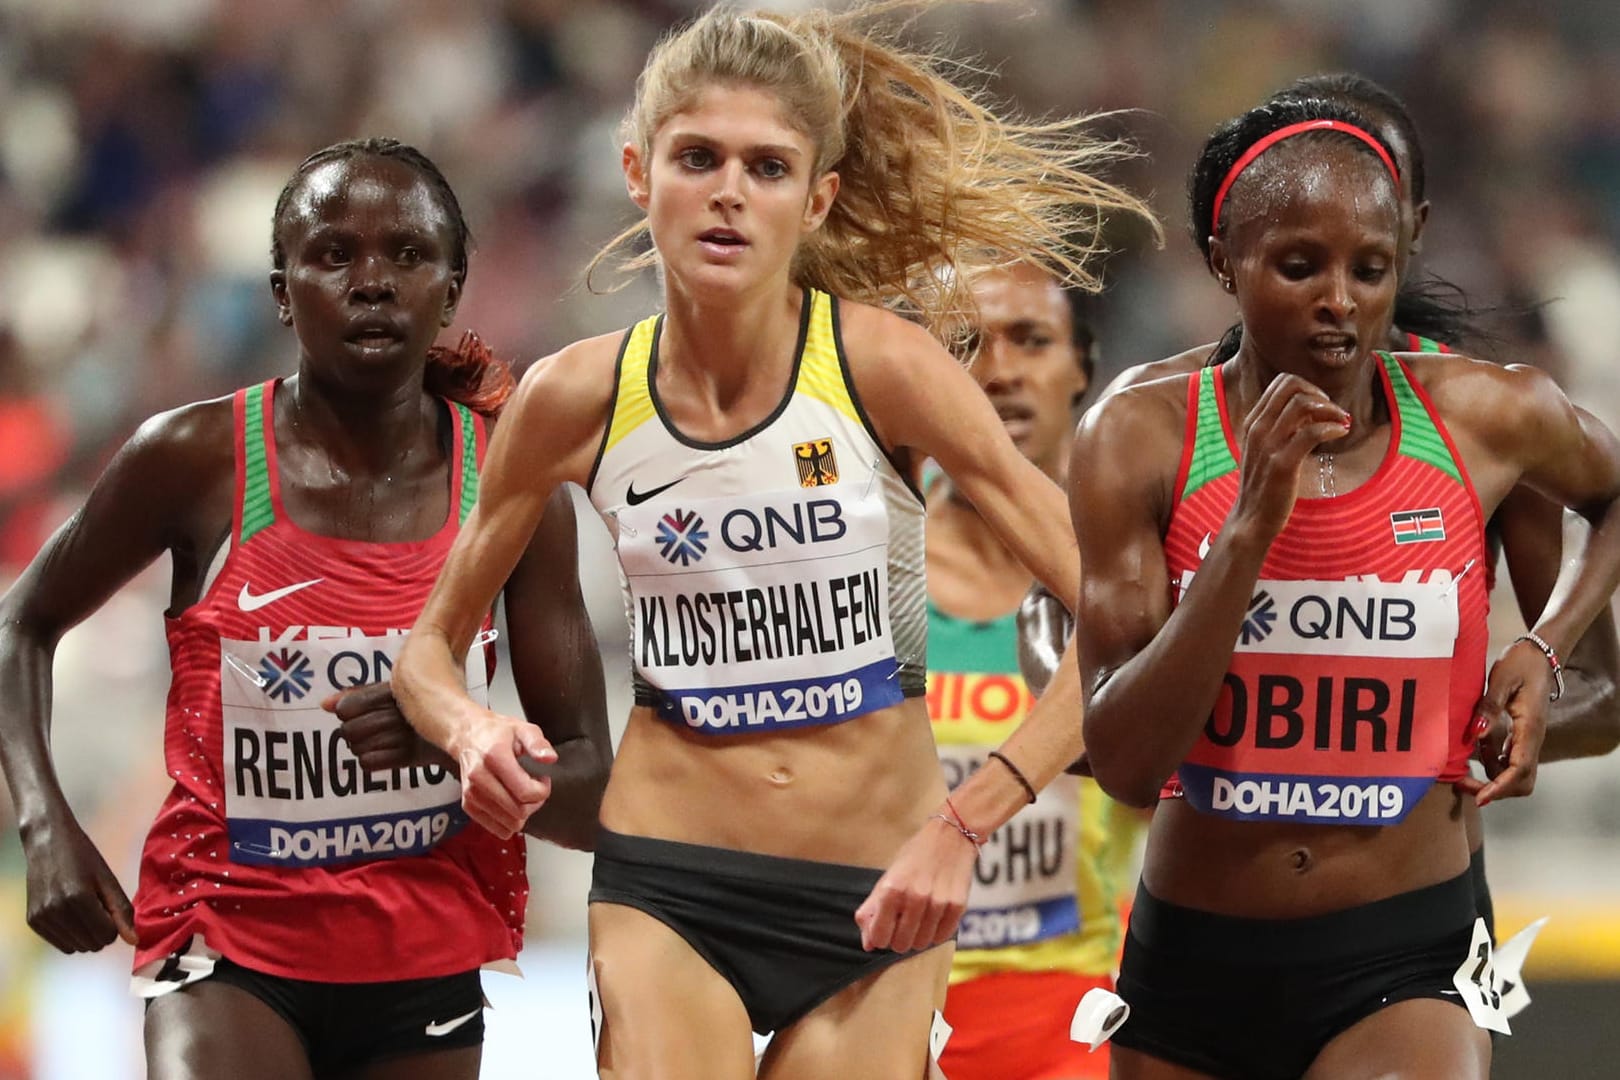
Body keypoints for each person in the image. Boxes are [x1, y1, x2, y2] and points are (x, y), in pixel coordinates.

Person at [393, 6, 1156, 1076]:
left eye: (769, 166)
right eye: (697, 158)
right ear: (635, 168)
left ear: (817, 197)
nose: (729, 193)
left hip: (879, 895)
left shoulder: (884, 367)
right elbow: (427, 651)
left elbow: (1119, 618)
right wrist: (473, 734)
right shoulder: (575, 395)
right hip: (670, 881)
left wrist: (969, 821)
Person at [0, 138, 611, 1080]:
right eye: (334, 255)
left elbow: (585, 794)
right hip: (224, 937)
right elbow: (20, 625)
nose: (371, 283)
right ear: (282, 290)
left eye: (407, 256)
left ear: (452, 290)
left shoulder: (512, 490)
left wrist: (460, 745)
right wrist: (46, 825)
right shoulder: (194, 457)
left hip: (424, 955)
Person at [1070, 97, 1620, 1080]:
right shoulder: (1141, 435)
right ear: (1221, 260)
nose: (1341, 301)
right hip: (1195, 958)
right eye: (1299, 267)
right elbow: (1125, 763)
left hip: (1410, 950)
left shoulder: (1487, 417)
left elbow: (1612, 510)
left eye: (1369, 269)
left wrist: (1547, 645)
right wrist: (1247, 533)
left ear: (1403, 257)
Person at [925, 262, 1138, 1080]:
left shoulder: (1138, 572)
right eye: (968, 344)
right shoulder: (865, 565)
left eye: (1031, 340)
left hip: (1084, 1020)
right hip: (891, 1004)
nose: (1000, 370)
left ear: (1082, 367)